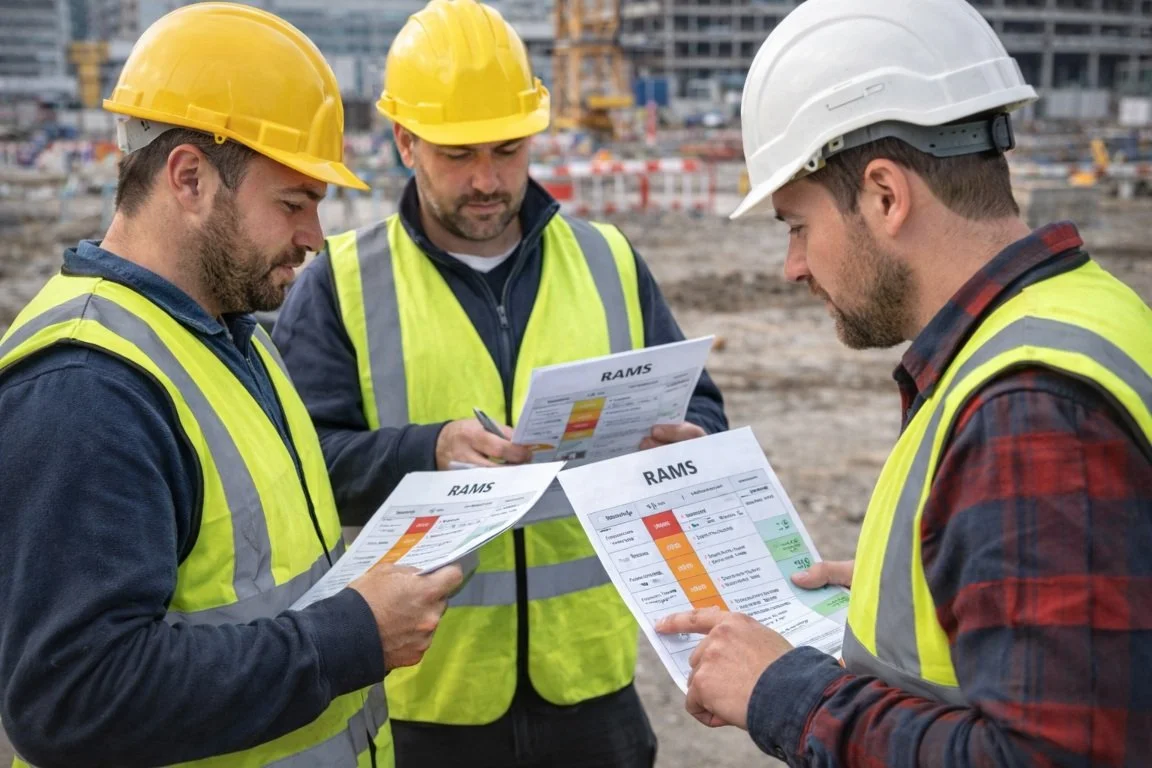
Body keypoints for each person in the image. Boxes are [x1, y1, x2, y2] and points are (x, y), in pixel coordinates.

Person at [656, 0, 1152, 764]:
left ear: (886, 196)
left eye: (797, 225)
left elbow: (1048, 755)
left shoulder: (1026, 409)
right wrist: (938, 581)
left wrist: (785, 693)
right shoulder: (1089, 311)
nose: (792, 266)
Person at [0, 5, 462, 766]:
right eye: (293, 203)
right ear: (188, 178)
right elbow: (73, 697)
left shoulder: (228, 334)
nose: (316, 236)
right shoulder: (86, 388)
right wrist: (351, 637)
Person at [270, 0, 728, 764]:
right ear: (405, 141)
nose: (487, 179)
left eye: (508, 150)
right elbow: (295, 470)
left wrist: (690, 442)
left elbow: (699, 405)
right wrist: (429, 450)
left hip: (591, 687)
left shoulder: (608, 259)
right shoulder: (342, 284)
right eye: (458, 154)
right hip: (426, 696)